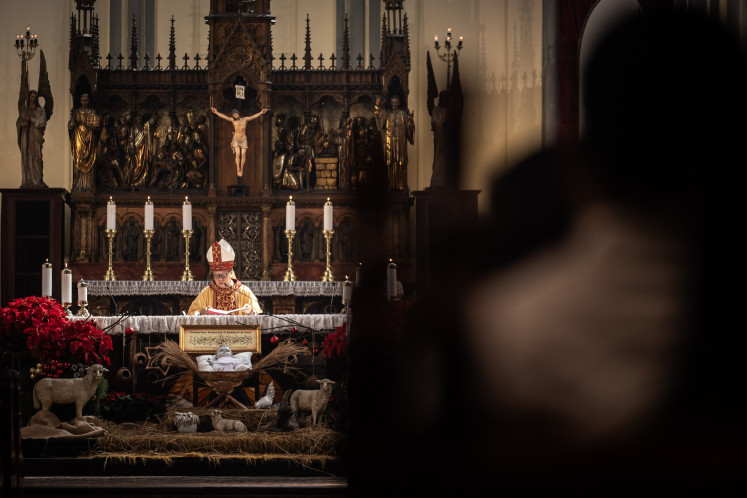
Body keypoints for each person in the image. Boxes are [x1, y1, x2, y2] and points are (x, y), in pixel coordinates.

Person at [188, 239, 262, 315]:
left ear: (231, 272)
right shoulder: (206, 293)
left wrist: (251, 312)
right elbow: (190, 315)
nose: (220, 278)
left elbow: (259, 316)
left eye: (223, 275)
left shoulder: (244, 292)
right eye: (216, 275)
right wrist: (201, 313)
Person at [211, 106, 268, 178]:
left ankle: (242, 168)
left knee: (243, 154)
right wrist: (216, 112)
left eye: (235, 114)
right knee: (237, 154)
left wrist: (261, 112)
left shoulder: (245, 119)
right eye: (233, 115)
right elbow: (224, 117)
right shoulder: (233, 120)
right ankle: (238, 168)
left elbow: (253, 117)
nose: (234, 116)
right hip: (236, 139)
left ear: (238, 113)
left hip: (243, 139)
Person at [374, 95, 414, 191]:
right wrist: (377, 105)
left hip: (400, 143)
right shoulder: (386, 114)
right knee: (389, 162)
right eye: (392, 102)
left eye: (396, 102)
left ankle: (401, 185)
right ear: (390, 103)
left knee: (400, 162)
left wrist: (411, 121)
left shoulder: (403, 114)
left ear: (399, 103)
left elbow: (409, 128)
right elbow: (379, 119)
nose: (394, 104)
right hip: (389, 143)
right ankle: (389, 185)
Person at [69, 94, 100, 192]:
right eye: (83, 100)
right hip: (79, 138)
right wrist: (73, 120)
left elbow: (97, 127)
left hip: (90, 138)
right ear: (80, 100)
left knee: (90, 160)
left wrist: (93, 127)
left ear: (89, 101)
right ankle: (78, 184)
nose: (85, 102)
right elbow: (70, 126)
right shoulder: (77, 112)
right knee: (78, 160)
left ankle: (89, 185)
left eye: (86, 100)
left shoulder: (92, 112)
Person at [17, 90, 48, 188]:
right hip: (26, 136)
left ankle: (37, 181)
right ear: (28, 97)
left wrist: (32, 120)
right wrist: (22, 124)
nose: (33, 99)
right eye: (31, 96)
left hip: (35, 136)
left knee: (37, 158)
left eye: (35, 97)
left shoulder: (40, 110)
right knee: (27, 157)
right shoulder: (24, 110)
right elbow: (18, 123)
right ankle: (28, 180)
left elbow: (42, 122)